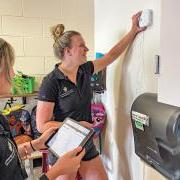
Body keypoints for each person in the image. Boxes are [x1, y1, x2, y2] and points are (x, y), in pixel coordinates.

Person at [36, 11, 146, 180]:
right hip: (63, 143)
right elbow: (42, 125)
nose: (87, 49)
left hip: (85, 140)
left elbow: (111, 56)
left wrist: (133, 30)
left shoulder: (85, 70)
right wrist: (76, 125)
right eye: (82, 45)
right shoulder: (51, 82)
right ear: (68, 51)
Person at [0, 38, 85, 180]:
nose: (13, 74)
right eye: (10, 67)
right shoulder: (51, 81)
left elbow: (5, 159)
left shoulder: (1, 120)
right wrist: (56, 171)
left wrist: (35, 145)